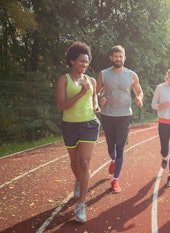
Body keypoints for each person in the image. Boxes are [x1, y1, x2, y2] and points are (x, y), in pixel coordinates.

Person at [55, 41, 100, 223]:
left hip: (89, 123)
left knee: (84, 162)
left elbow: (94, 94)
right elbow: (61, 106)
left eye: (87, 62)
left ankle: (81, 204)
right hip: (70, 125)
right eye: (81, 61)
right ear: (72, 61)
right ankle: (79, 181)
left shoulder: (92, 81)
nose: (84, 65)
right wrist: (82, 93)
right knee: (74, 163)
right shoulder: (63, 80)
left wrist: (96, 104)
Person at [96, 45, 143, 193]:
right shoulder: (103, 74)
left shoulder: (132, 75)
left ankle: (115, 180)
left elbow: (139, 91)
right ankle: (113, 160)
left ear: (124, 58)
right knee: (111, 146)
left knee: (120, 147)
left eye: (120, 56)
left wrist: (139, 98)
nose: (118, 59)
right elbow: (95, 93)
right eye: (115, 56)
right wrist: (100, 98)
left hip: (124, 115)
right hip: (108, 114)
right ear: (111, 58)